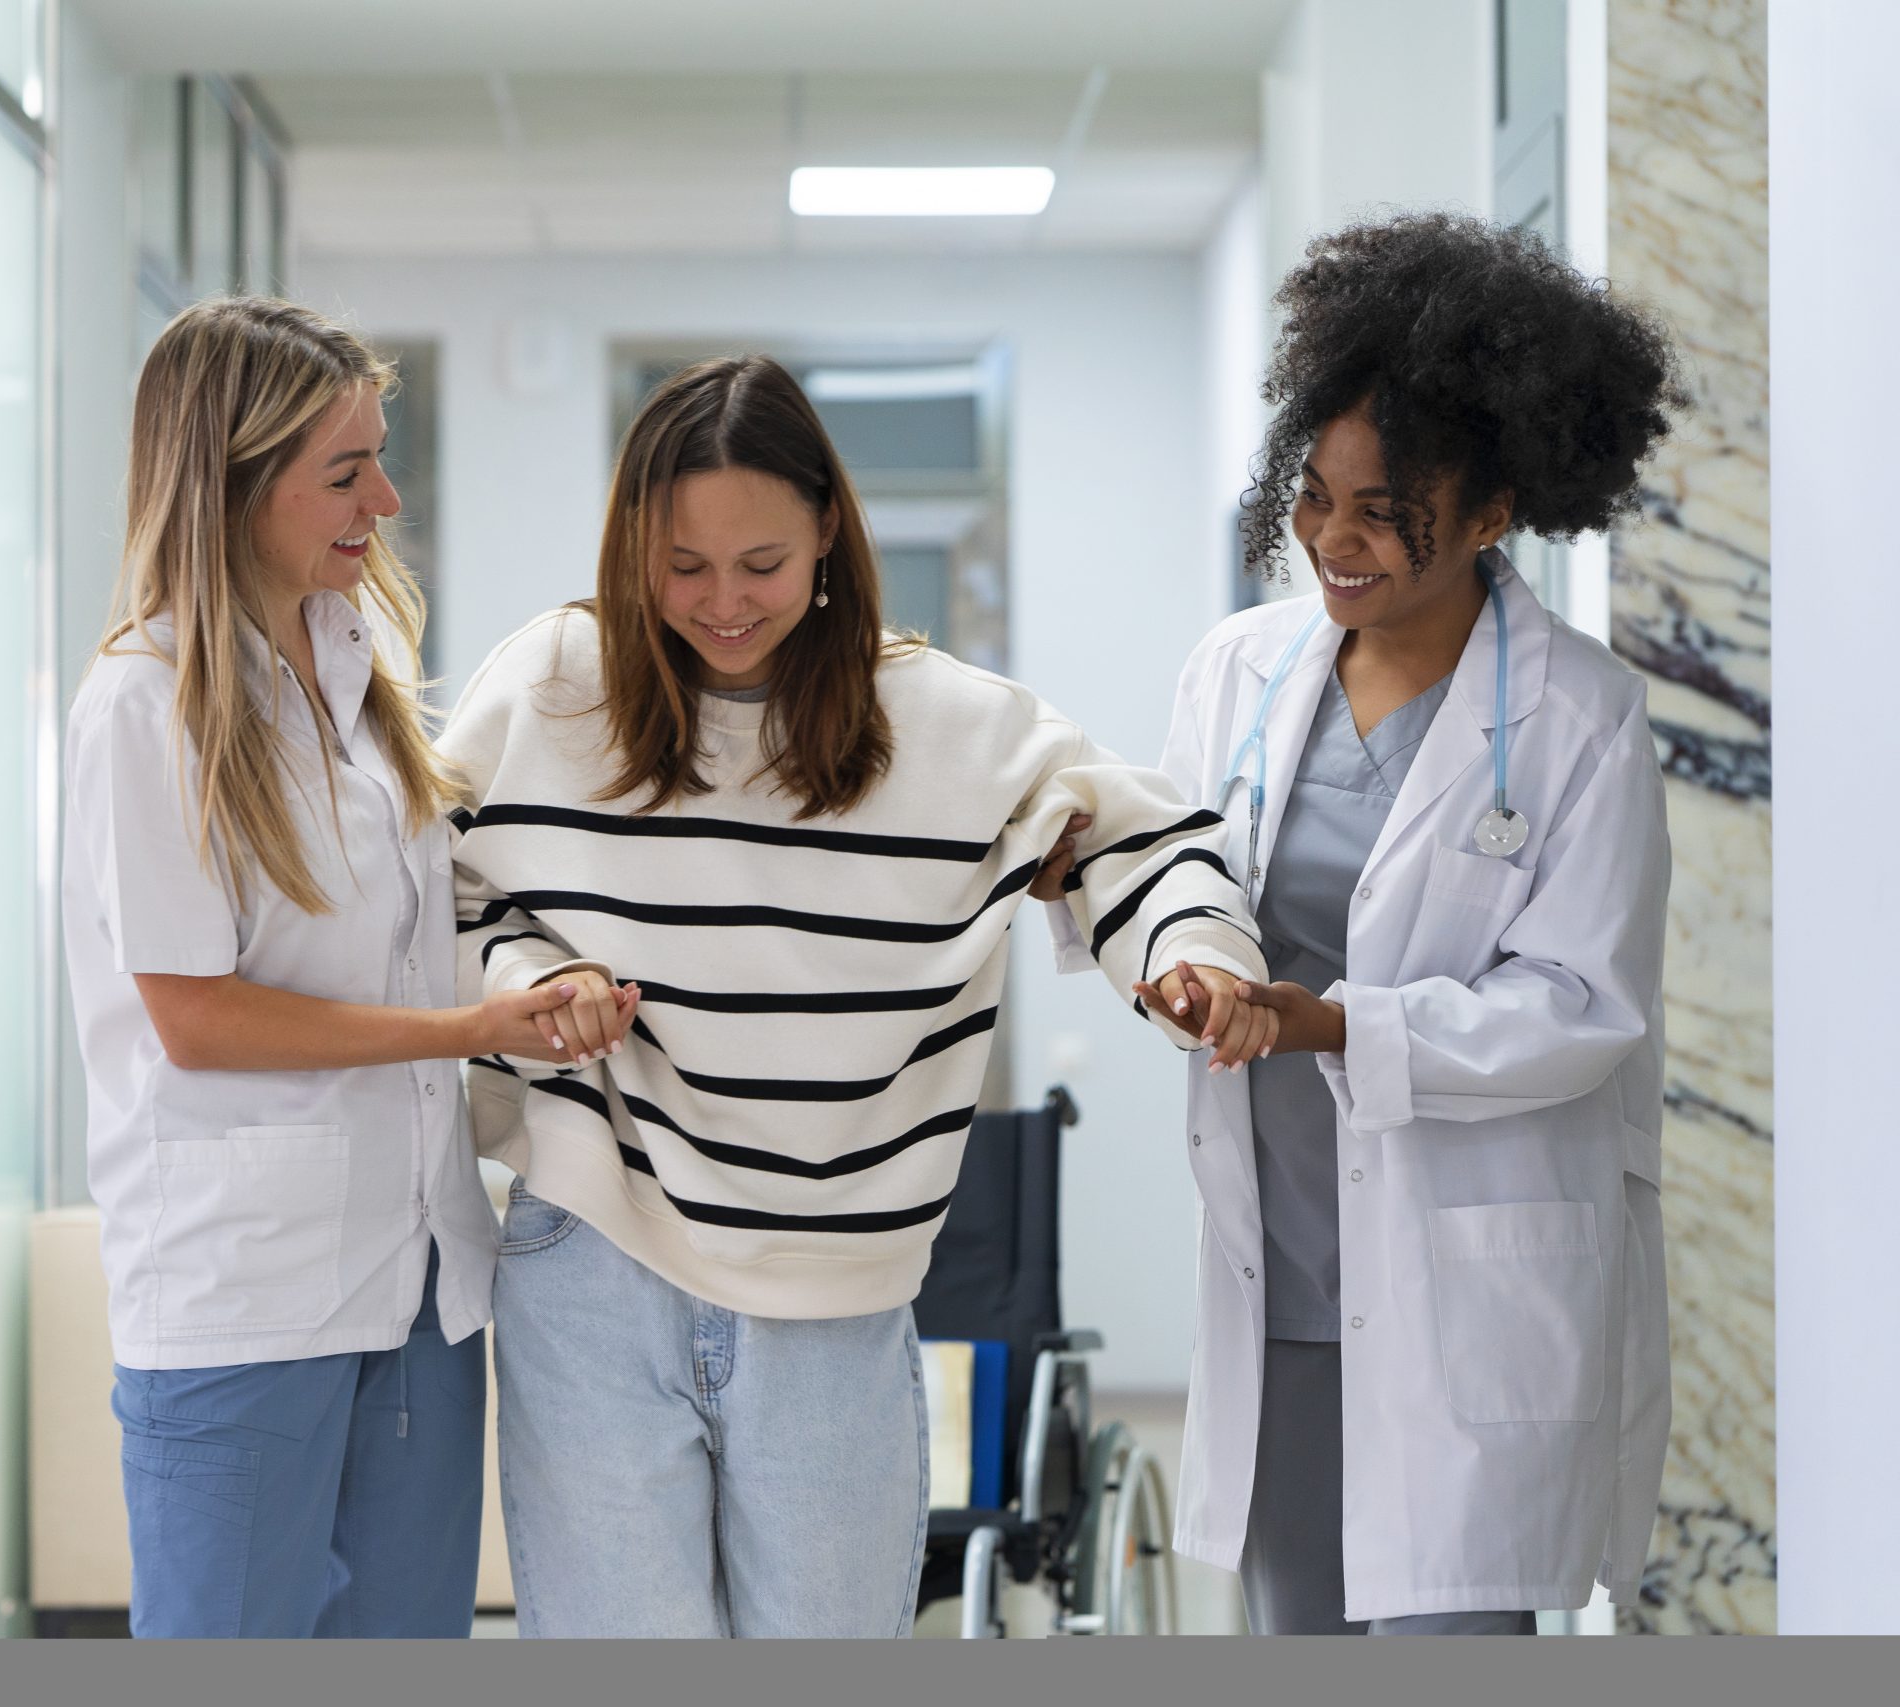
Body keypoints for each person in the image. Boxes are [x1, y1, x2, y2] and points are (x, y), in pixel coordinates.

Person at [439, 355, 1272, 1637]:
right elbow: (431, 887)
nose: (721, 604)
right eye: (681, 566)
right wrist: (531, 978)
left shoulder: (947, 722)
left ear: (829, 529)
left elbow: (1146, 843)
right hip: (593, 1253)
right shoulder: (550, 688)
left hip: (837, 1285)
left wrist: (1188, 956)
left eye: (760, 563)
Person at [1140, 213, 1681, 1633]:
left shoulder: (1579, 715)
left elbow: (1583, 1005)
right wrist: (1174, 966)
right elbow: (1169, 876)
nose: (1333, 535)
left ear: (1495, 507)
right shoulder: (1240, 671)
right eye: (1315, 493)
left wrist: (1330, 1023)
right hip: (1282, 1274)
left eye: (1386, 508)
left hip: (1464, 1287)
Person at [61, 297, 588, 1638]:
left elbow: (421, 916)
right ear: (232, 481)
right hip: (243, 1293)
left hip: (419, 1277)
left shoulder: (364, 659)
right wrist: (472, 1027)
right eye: (346, 470)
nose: (387, 497)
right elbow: (197, 1014)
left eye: (380, 456)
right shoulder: (146, 699)